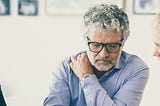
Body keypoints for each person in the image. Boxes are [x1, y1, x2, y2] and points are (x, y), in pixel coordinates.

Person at [43, 4, 149, 106]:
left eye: (112, 46)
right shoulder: (67, 68)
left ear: (123, 43)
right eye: (96, 45)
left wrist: (87, 77)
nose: (103, 54)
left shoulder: (136, 70)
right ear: (86, 40)